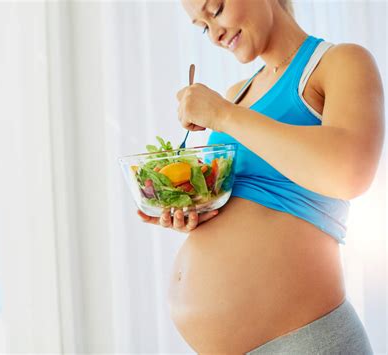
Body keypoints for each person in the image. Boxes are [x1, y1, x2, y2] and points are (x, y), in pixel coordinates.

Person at [137, 0, 384, 353]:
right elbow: (244, 202)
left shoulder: (339, 63)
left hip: (305, 341)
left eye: (217, 9)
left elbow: (350, 173)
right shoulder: (236, 94)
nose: (215, 34)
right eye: (203, 27)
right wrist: (194, 210)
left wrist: (222, 115)